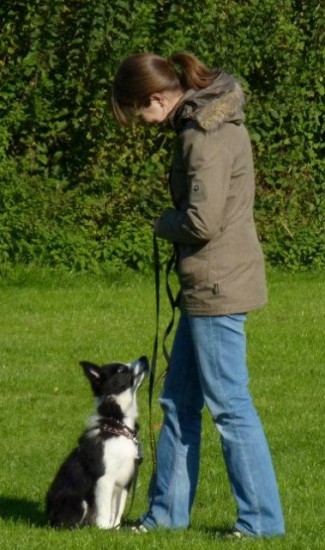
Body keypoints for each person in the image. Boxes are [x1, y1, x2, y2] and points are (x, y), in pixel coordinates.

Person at [112, 52, 285, 538]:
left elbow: (202, 222)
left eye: (140, 113)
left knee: (229, 406)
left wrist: (161, 223)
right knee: (177, 400)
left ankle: (260, 525)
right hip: (212, 281)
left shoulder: (200, 136)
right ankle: (166, 515)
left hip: (216, 284)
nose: (143, 124)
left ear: (157, 98)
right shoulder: (215, 123)